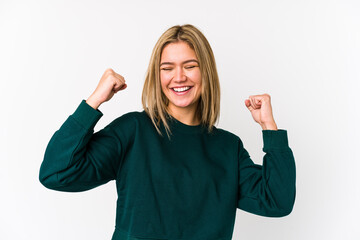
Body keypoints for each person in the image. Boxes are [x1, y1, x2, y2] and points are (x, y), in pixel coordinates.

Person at [39, 24, 296, 240]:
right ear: (157, 75)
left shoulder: (228, 147)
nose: (179, 77)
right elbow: (56, 173)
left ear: (205, 72)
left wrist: (269, 128)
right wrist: (94, 101)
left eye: (190, 65)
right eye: (167, 68)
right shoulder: (134, 131)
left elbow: (277, 201)